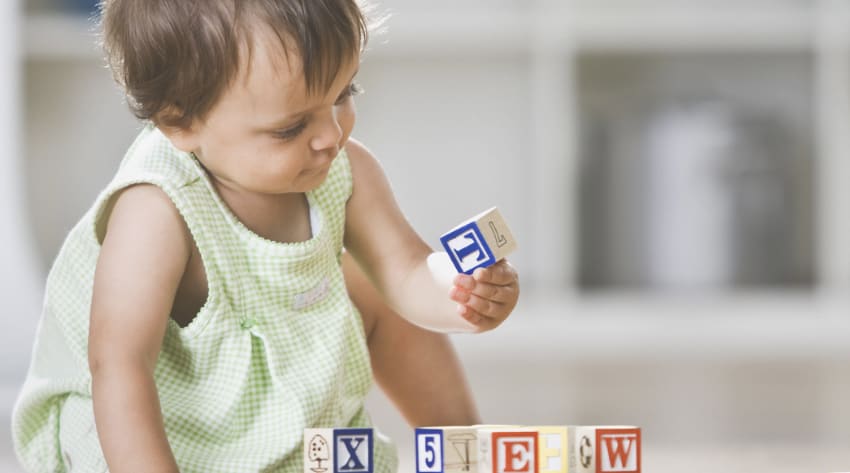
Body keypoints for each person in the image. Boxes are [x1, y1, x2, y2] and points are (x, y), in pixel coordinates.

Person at [11, 0, 520, 472]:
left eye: (344, 94)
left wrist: (463, 294)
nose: (330, 136)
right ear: (179, 121)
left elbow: (405, 273)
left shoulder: (345, 169)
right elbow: (119, 367)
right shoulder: (156, 208)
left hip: (281, 413)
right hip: (163, 439)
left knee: (366, 284)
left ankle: (469, 451)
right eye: (290, 127)